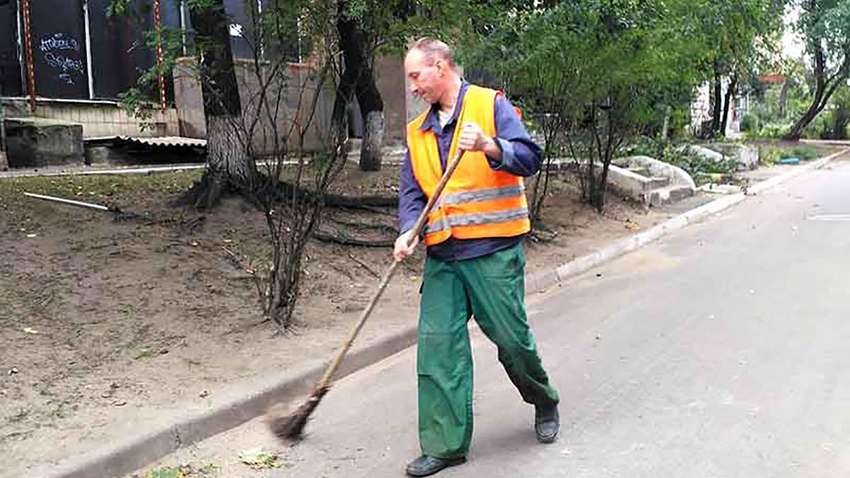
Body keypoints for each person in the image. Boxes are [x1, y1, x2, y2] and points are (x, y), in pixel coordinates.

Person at [395, 37, 560, 477]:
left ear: (442, 66)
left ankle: (543, 398)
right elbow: (413, 193)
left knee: (512, 340)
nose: (412, 87)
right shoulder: (418, 131)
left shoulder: (491, 106)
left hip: (492, 251)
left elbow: (530, 158)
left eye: (416, 76)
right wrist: (407, 231)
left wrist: (490, 146)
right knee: (438, 350)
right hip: (443, 255)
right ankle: (445, 445)